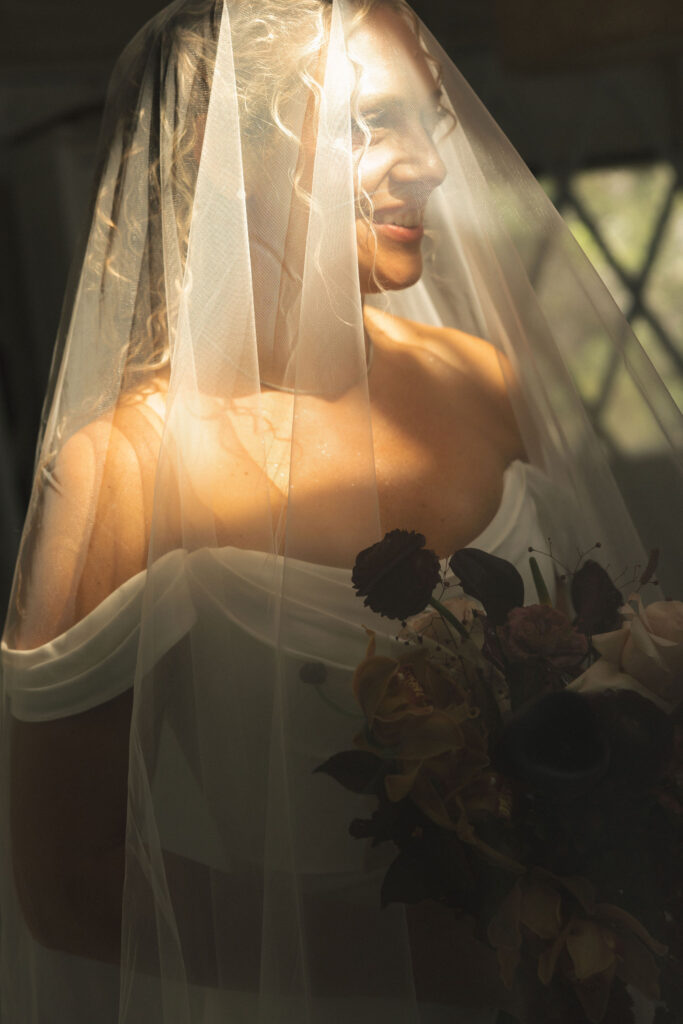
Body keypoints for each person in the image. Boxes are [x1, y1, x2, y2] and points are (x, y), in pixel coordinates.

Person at [1, 0, 681, 1021]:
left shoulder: (478, 380)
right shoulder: (124, 471)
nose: (429, 165)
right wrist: (427, 958)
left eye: (427, 119)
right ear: (233, 151)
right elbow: (63, 884)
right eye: (373, 125)